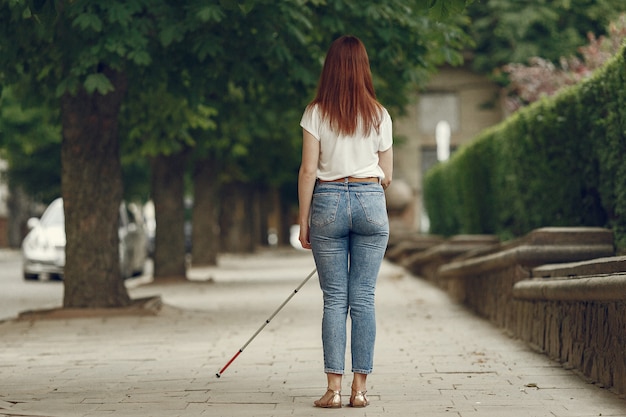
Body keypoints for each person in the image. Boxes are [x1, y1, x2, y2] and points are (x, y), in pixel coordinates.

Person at [297, 35, 393, 409]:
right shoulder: (379, 114)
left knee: (335, 299)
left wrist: (303, 220)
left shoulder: (316, 112)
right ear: (364, 67)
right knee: (364, 298)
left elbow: (308, 170)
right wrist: (368, 177)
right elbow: (387, 174)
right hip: (370, 200)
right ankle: (360, 389)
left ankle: (333, 390)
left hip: (328, 202)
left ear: (330, 68)